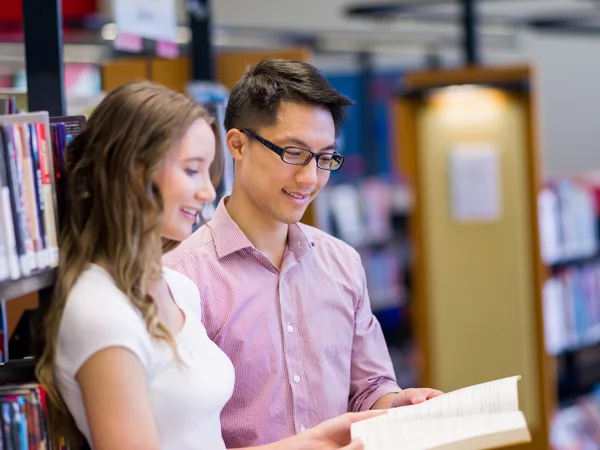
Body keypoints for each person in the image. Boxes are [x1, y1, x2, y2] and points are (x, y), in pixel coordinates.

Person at [34, 81, 383, 450]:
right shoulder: (100, 309)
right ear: (133, 172)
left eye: (206, 171)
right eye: (191, 170)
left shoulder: (175, 288)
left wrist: (314, 440)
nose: (206, 192)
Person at [163, 59, 443, 448]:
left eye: (325, 158)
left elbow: (369, 389)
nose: (310, 178)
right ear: (238, 144)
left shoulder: (341, 263)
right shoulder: (181, 279)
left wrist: (399, 402)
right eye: (294, 153)